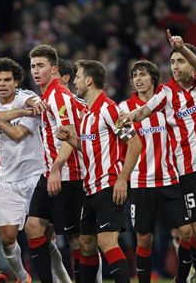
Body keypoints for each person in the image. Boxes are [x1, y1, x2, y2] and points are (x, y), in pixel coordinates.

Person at [119, 30, 196, 283]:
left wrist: (182, 47)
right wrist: (132, 117)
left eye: (180, 61)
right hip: (188, 171)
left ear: (191, 63)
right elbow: (146, 109)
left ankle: (194, 279)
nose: (175, 66)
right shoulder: (166, 93)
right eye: (173, 61)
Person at [57, 59, 142, 283]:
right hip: (90, 188)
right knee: (87, 244)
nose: (74, 80)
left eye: (78, 76)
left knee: (106, 241)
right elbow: (88, 146)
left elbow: (135, 143)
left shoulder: (109, 109)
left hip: (109, 185)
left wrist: (123, 179)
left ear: (89, 80)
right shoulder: (87, 116)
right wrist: (70, 139)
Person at [118, 60, 192, 283]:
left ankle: (181, 278)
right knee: (144, 238)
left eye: (143, 74)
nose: (138, 79)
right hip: (140, 183)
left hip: (170, 180)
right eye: (135, 76)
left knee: (187, 233)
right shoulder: (123, 108)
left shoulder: (168, 104)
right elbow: (121, 142)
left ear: (153, 78)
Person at [0, 57, 45, 283]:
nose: (2, 84)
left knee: (45, 237)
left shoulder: (28, 99)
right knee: (6, 238)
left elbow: (16, 134)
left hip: (36, 176)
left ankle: (59, 278)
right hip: (8, 180)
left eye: (7, 80)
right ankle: (23, 279)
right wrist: (18, 114)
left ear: (17, 82)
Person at [23, 45, 84, 283]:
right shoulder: (47, 96)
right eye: (33, 67)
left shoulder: (59, 96)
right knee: (34, 228)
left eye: (41, 66)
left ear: (54, 69)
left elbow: (69, 135)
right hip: (50, 172)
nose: (36, 71)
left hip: (68, 174)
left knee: (77, 239)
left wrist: (57, 169)